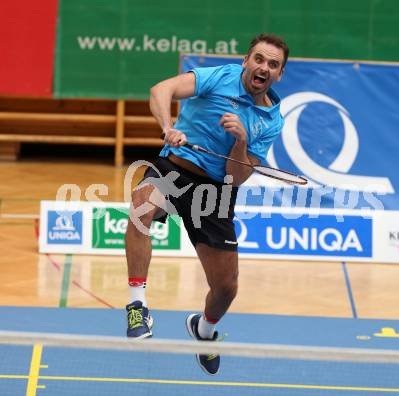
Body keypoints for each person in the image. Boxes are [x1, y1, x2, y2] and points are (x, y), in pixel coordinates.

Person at [125, 33, 289, 375]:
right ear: (247, 60)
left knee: (226, 287)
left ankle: (204, 329)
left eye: (273, 64)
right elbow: (160, 90)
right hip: (174, 167)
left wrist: (241, 140)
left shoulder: (271, 120)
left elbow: (236, 177)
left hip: (216, 190)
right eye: (259, 59)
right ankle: (137, 305)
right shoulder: (220, 77)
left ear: (279, 74)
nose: (264, 67)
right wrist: (168, 127)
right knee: (141, 206)